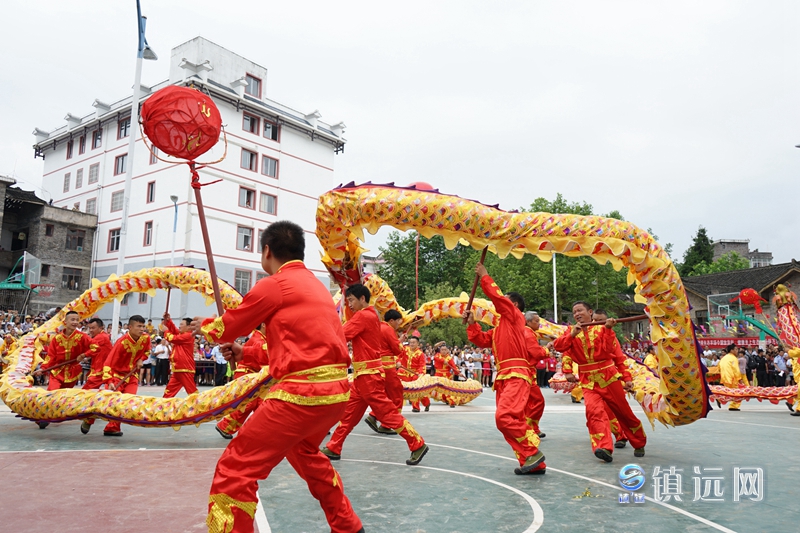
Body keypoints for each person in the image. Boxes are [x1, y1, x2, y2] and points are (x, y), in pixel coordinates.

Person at [193, 221, 363, 533]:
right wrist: (245, 354)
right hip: (335, 394)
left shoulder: (275, 285)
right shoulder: (317, 289)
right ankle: (349, 526)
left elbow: (226, 328)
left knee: (235, 468)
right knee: (307, 457)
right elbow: (294, 349)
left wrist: (201, 327)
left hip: (301, 396)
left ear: (267, 251)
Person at [322, 284, 428, 465]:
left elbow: (342, 334)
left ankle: (417, 443)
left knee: (387, 413)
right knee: (349, 414)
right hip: (365, 375)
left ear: (362, 298)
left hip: (369, 376)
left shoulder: (363, 316)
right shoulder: (370, 316)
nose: (350, 304)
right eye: (348, 301)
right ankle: (334, 446)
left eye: (352, 300)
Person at [464, 262, 546, 475]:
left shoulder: (514, 316)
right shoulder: (501, 325)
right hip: (504, 377)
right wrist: (472, 323)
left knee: (504, 418)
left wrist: (485, 276)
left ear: (515, 304)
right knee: (509, 421)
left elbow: (499, 299)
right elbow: (482, 340)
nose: (499, 304)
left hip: (517, 374)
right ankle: (531, 460)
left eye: (506, 300)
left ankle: (532, 452)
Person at [552, 301, 647, 463]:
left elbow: (613, 353)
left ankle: (638, 441)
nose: (577, 314)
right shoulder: (571, 331)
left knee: (623, 412)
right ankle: (603, 447)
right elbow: (560, 347)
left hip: (608, 377)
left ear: (589, 312)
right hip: (588, 381)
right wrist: (572, 335)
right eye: (574, 312)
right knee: (593, 412)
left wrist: (627, 377)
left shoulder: (603, 329)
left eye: (580, 310)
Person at [33, 310, 92, 429]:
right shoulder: (57, 338)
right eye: (72, 319)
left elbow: (95, 347)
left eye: (77, 320)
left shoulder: (83, 337)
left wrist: (85, 354)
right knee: (51, 394)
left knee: (63, 398)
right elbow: (51, 357)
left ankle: (52, 416)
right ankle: (43, 418)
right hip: (57, 372)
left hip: (72, 373)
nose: (75, 322)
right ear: (65, 322)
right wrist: (43, 369)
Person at [96, 315, 151, 436]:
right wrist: (109, 381)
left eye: (143, 326)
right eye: (139, 326)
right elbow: (108, 363)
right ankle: (92, 419)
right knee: (113, 402)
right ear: (130, 327)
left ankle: (112, 427)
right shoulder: (121, 342)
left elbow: (147, 351)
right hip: (116, 376)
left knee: (127, 402)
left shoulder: (146, 338)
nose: (142, 329)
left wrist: (141, 359)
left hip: (132, 376)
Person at [215, 323, 269, 439]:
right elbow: (263, 360)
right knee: (249, 403)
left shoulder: (260, 338)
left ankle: (262, 429)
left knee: (260, 404)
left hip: (253, 375)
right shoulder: (258, 340)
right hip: (247, 374)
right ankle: (225, 426)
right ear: (264, 325)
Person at [368, 309, 406, 434]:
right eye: (397, 322)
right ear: (391, 320)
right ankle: (385, 422)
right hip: (388, 367)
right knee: (396, 394)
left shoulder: (377, 327)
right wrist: (400, 341)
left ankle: (375, 416)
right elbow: (396, 349)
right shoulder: (388, 329)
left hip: (377, 365)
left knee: (383, 395)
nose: (398, 325)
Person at [160, 313, 198, 398]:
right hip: (178, 369)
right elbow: (174, 330)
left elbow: (172, 338)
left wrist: (166, 331)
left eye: (181, 324)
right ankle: (164, 406)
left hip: (185, 368)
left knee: (192, 392)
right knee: (169, 391)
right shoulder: (182, 334)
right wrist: (168, 320)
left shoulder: (189, 335)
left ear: (189, 327)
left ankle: (201, 406)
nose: (179, 326)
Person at [523, 311, 547, 439]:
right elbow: (537, 353)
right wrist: (547, 349)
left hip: (529, 371)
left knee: (531, 402)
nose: (539, 323)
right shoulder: (527, 333)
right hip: (526, 372)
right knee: (538, 401)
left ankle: (533, 428)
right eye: (536, 321)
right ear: (528, 321)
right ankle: (527, 428)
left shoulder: (530, 333)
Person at [400, 336, 430, 412]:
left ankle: (417, 406)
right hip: (404, 371)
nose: (412, 344)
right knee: (397, 384)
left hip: (415, 373)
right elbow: (398, 353)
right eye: (410, 342)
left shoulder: (420, 354)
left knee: (415, 389)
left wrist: (420, 373)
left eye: (414, 342)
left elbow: (422, 365)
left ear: (418, 344)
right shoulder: (405, 349)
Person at [719, 344, 746, 411]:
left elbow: (719, 367)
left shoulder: (724, 358)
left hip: (724, 378)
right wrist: (740, 379)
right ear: (732, 350)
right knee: (738, 392)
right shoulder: (734, 358)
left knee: (729, 392)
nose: (737, 351)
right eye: (736, 349)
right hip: (732, 378)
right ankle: (733, 406)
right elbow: (736, 370)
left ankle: (720, 398)